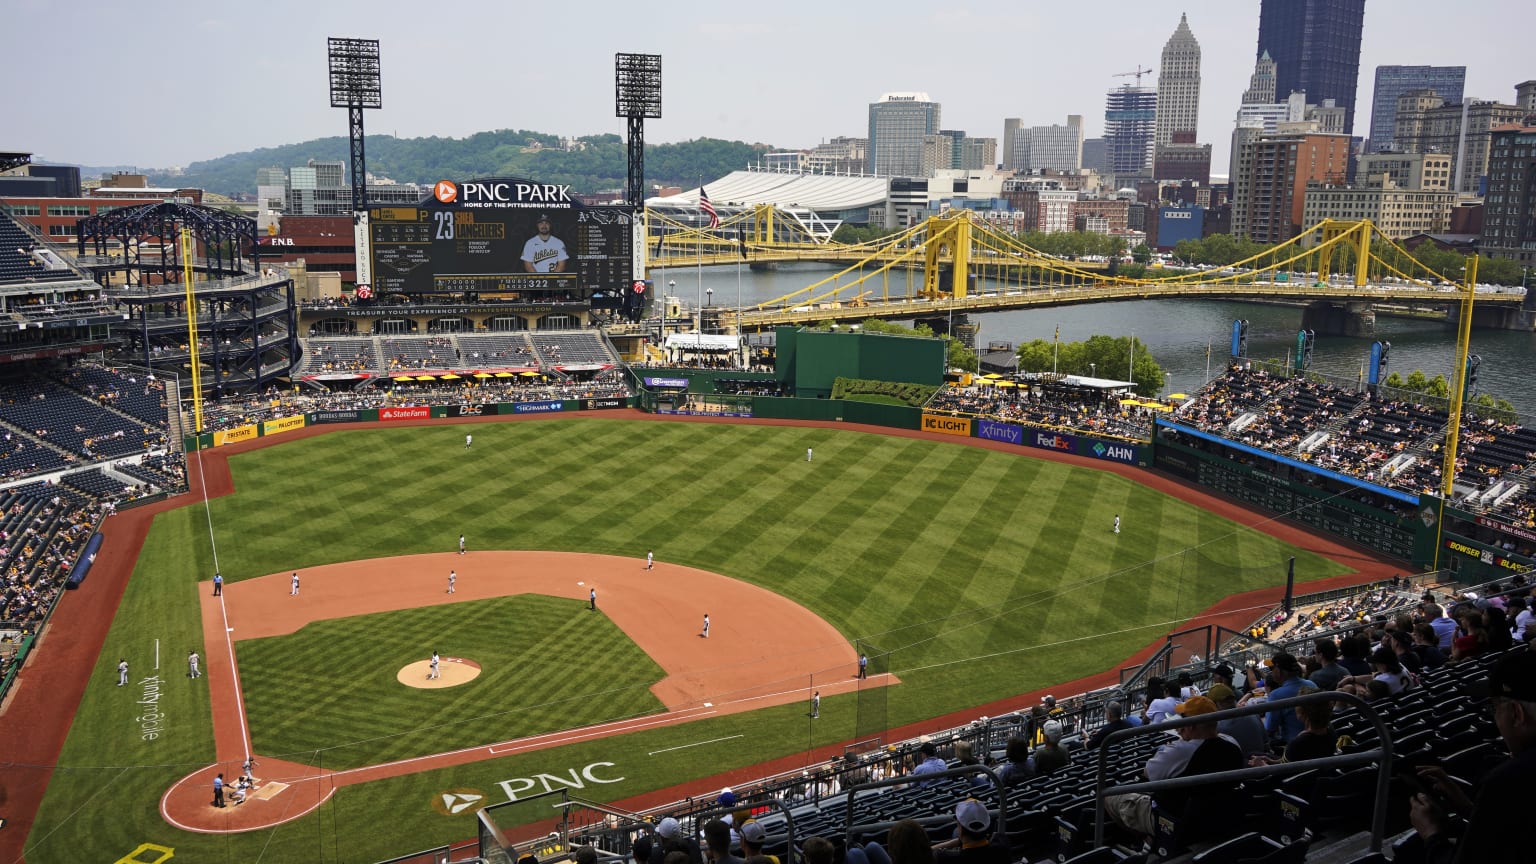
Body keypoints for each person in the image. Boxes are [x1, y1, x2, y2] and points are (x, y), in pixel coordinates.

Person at [1408, 650, 1536, 863]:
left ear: (1516, 713)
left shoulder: (1509, 781)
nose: (1494, 717)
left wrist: (1431, 833)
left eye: (1494, 708)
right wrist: (1468, 807)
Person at [1105, 695, 1244, 839]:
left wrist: (1178, 744)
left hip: (1175, 820)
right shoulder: (1232, 743)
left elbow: (1148, 773)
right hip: (1217, 816)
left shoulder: (1184, 750)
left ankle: (1149, 841)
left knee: (1109, 796)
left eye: (1183, 718)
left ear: (1190, 725)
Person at [933, 798, 1009, 864]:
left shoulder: (944, 858)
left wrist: (958, 840)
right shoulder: (1002, 846)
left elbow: (924, 854)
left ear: (961, 829)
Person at [1262, 652, 1316, 745]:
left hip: (1293, 745)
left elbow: (1269, 729)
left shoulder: (1276, 695)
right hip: (1316, 741)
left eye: (1272, 668)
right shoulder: (1311, 684)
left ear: (1279, 671)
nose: (1271, 671)